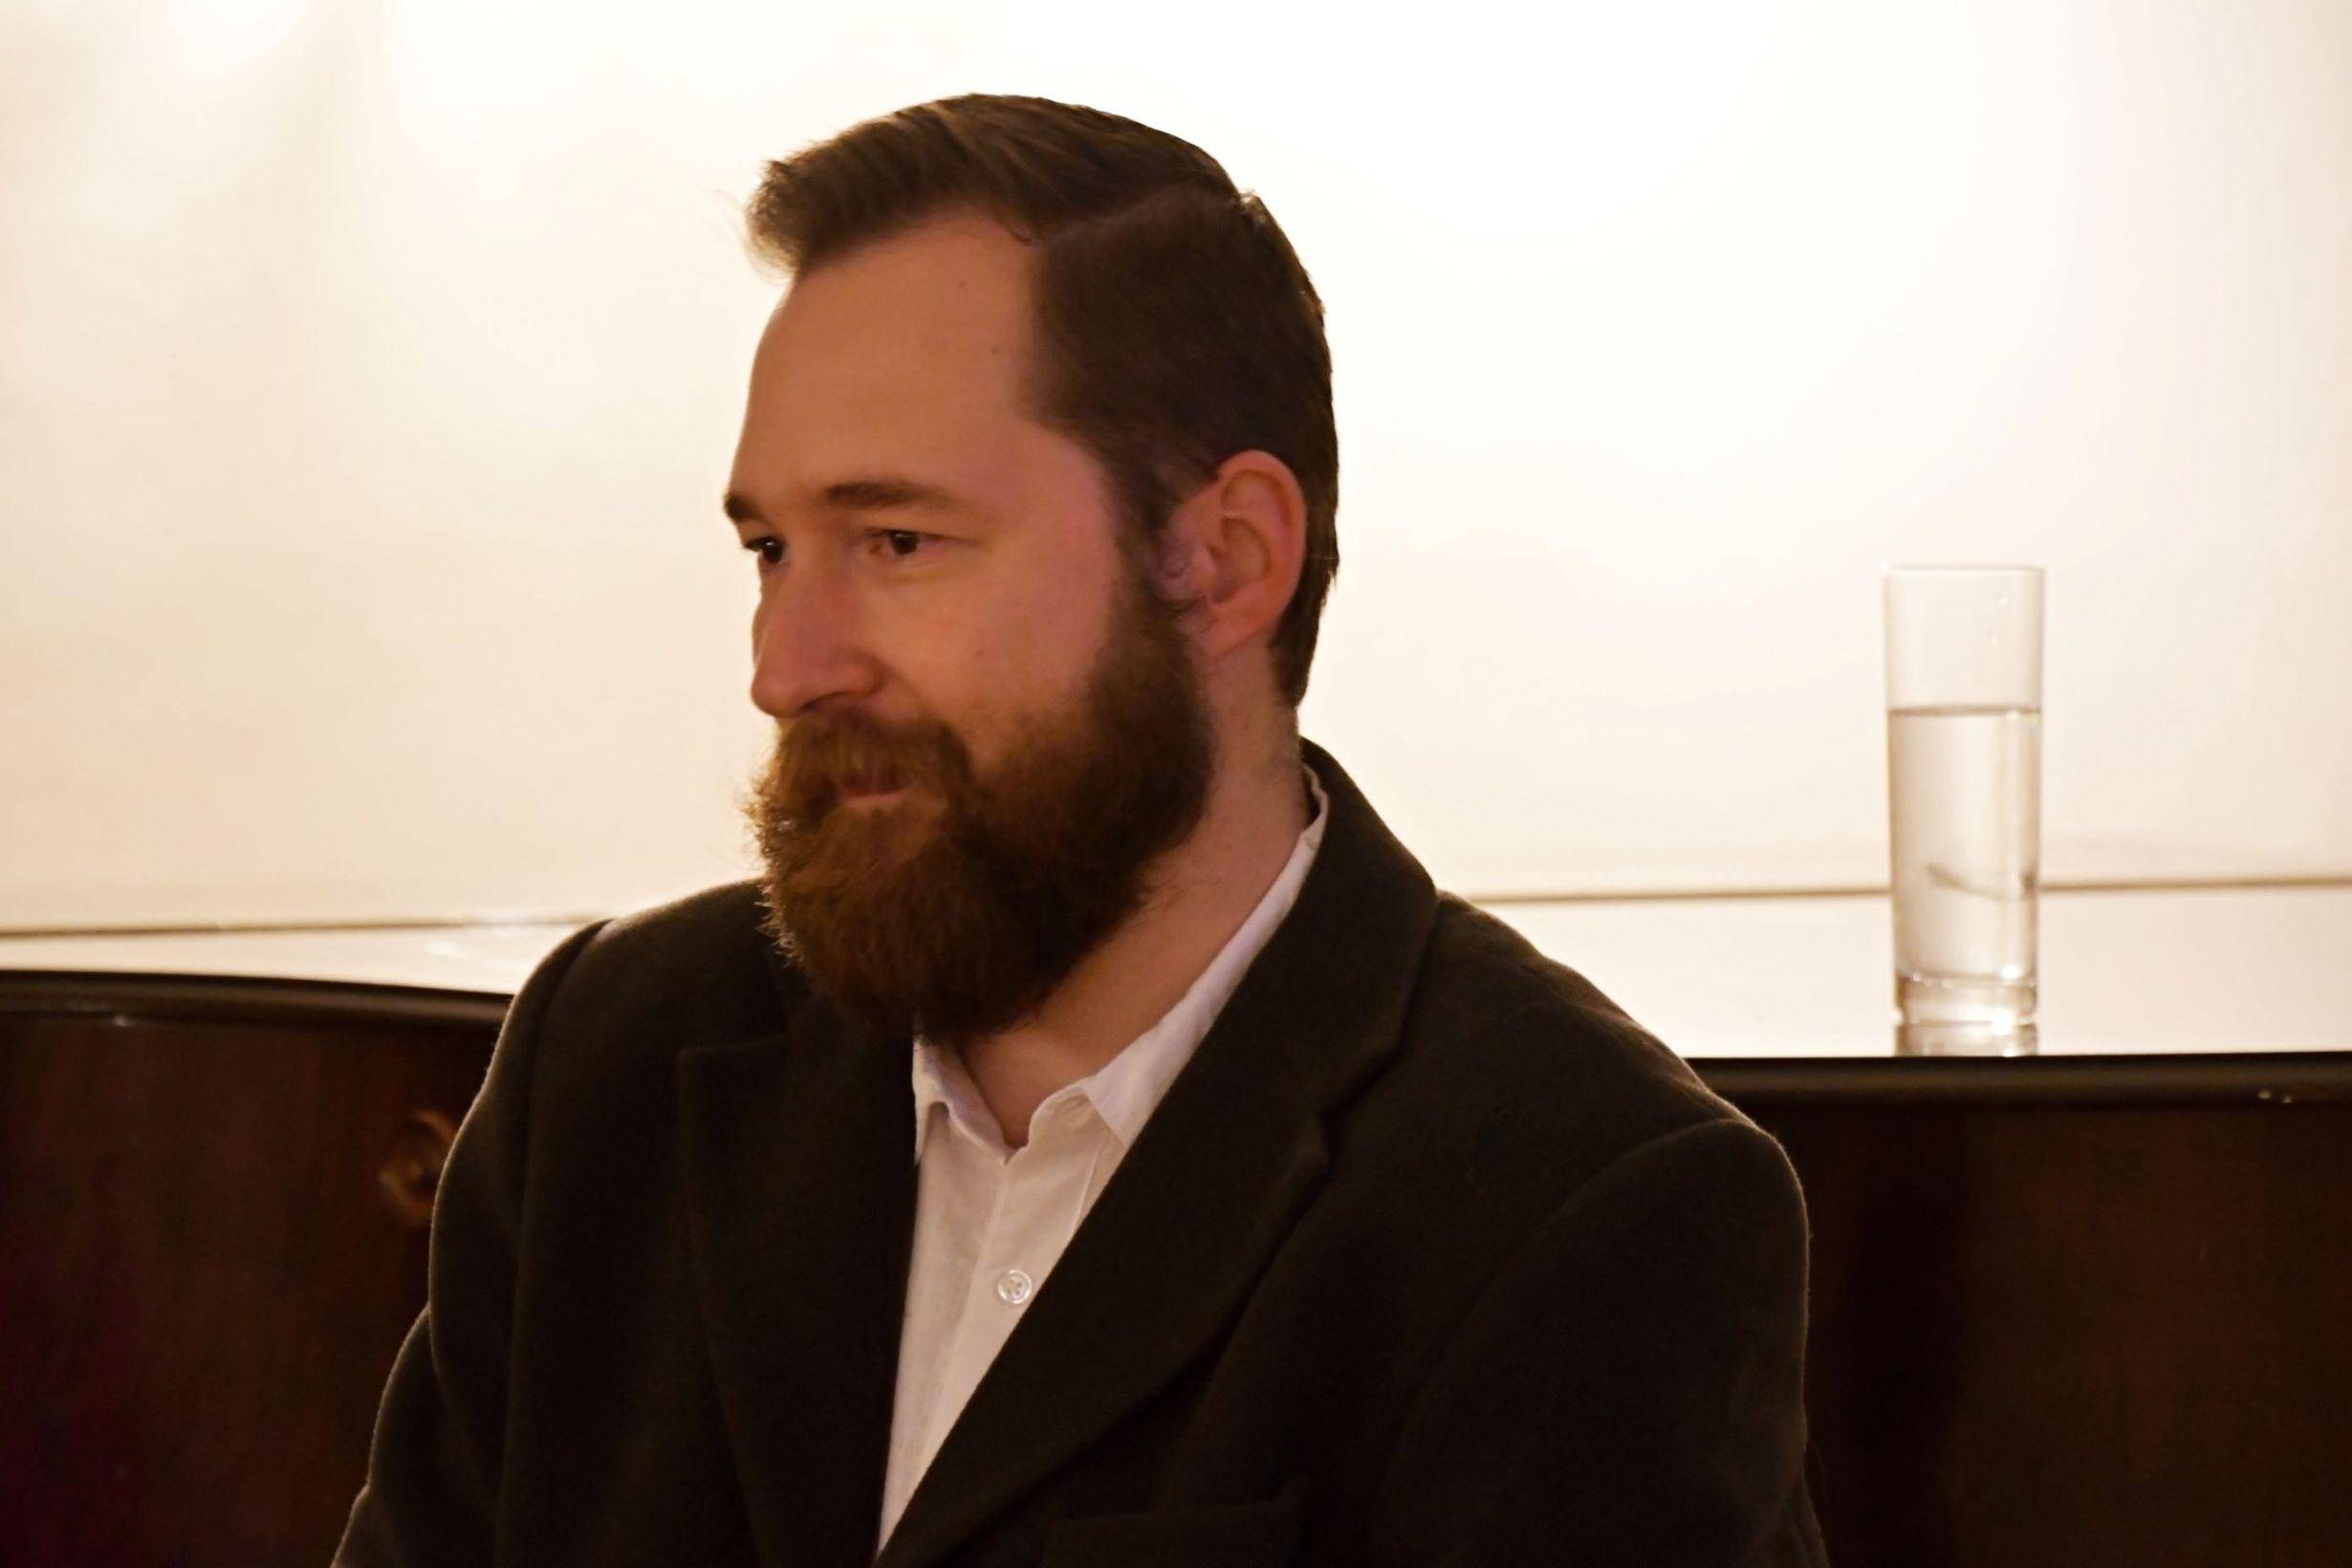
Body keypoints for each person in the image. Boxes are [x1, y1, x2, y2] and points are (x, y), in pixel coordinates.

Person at [336, 93, 1828, 1567]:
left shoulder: (1587, 1204)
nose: (785, 668)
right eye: (773, 549)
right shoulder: (610, 1063)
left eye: (899, 541)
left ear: (1225, 561)